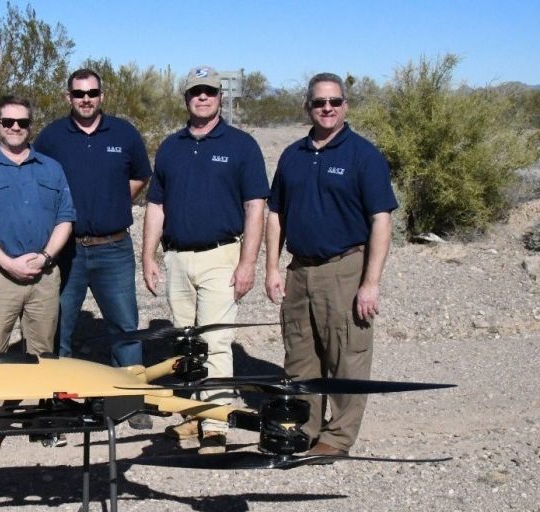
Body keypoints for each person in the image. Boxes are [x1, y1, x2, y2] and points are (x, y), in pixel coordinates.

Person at [264, 72, 397, 459]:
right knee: (300, 354)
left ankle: (337, 438)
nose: (327, 108)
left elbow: (381, 220)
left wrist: (370, 282)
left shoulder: (363, 155)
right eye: (319, 102)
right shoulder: (293, 155)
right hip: (299, 269)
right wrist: (272, 268)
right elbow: (276, 214)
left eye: (334, 102)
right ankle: (305, 429)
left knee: (346, 355)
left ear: (345, 106)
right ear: (307, 106)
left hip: (344, 268)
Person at [141, 66, 268, 454]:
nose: (203, 97)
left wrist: (248, 263)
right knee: (185, 344)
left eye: (209, 91)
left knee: (215, 341)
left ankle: (215, 423)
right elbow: (156, 205)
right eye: (195, 91)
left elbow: (255, 206)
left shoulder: (241, 145)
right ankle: (190, 419)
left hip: (221, 255)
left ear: (220, 97)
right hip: (177, 257)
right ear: (186, 98)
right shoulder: (171, 146)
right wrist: (147, 255)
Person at [35, 69, 153, 429]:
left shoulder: (123, 132)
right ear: (68, 96)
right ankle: (61, 400)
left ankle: (130, 400)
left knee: (125, 327)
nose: (85, 99)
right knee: (60, 326)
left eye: (92, 92)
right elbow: (36, 178)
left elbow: (140, 176)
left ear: (102, 94)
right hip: (66, 251)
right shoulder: (52, 136)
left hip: (114, 248)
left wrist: (114, 204)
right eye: (78, 93)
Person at [0, 95, 76, 453]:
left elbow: (65, 218)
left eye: (22, 122)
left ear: (30, 126)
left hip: (44, 274)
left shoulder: (51, 168)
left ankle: (42, 419)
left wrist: (44, 257)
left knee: (41, 349)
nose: (15, 128)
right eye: (8, 121)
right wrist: (8, 263)